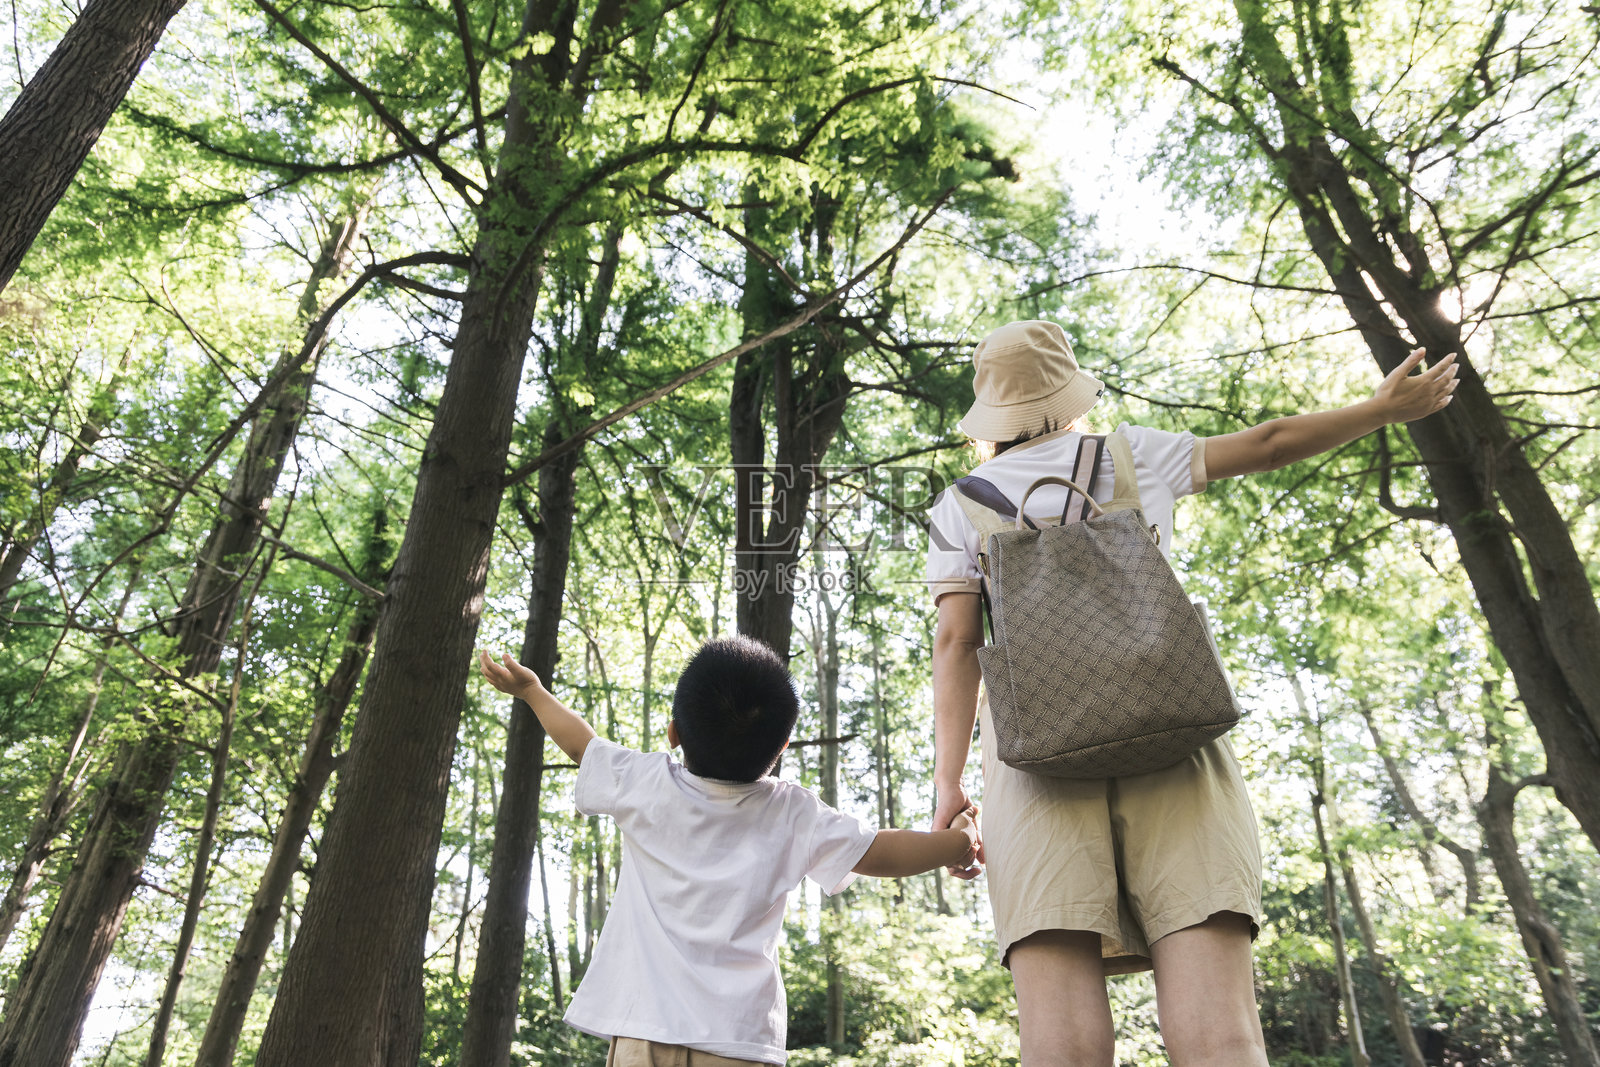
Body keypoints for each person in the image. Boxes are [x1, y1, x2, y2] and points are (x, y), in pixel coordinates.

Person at [924, 320, 1459, 1066]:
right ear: (1069, 390)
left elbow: (957, 645)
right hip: (1172, 729)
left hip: (1032, 763)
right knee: (1220, 1033)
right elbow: (1269, 442)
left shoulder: (960, 506)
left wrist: (949, 787)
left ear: (992, 413)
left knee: (1060, 1038)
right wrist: (1378, 410)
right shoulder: (1130, 453)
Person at [478, 635, 980, 1067]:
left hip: (643, 1032)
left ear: (675, 733)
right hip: (740, 1040)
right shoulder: (792, 812)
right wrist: (959, 840)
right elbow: (881, 853)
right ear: (782, 745)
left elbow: (581, 745)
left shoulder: (645, 784)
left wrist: (532, 691)